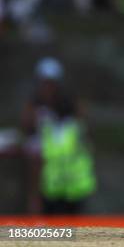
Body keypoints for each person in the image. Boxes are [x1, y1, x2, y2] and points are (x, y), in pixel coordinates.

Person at [21, 57, 96, 214]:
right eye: (44, 83)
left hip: (74, 184)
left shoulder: (71, 106)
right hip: (50, 184)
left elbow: (86, 131)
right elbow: (27, 130)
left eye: (51, 84)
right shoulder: (34, 108)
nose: (48, 88)